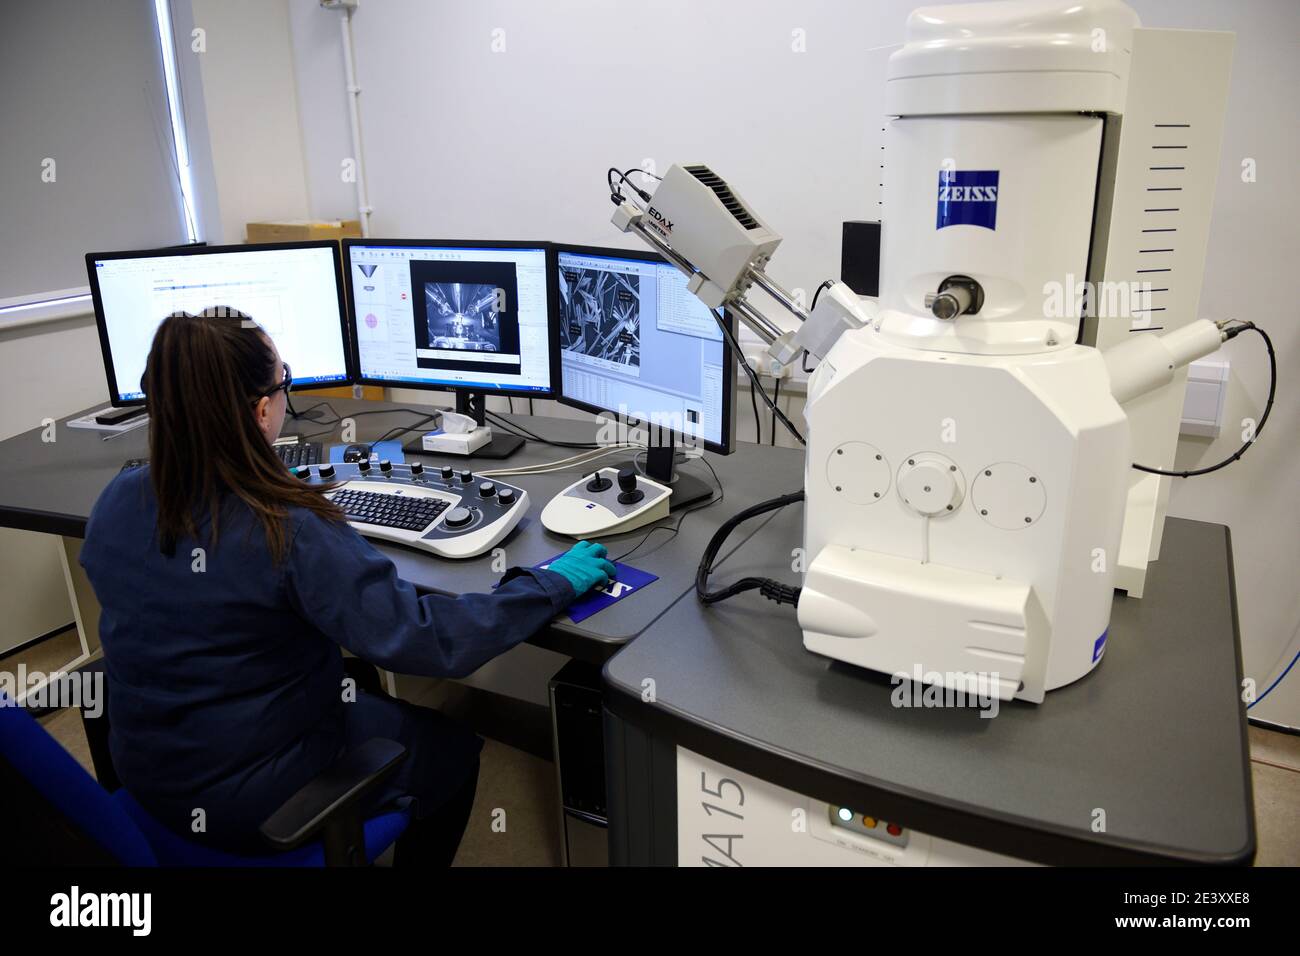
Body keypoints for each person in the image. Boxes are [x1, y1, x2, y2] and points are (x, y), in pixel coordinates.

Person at [78, 307, 615, 865]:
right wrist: (548, 584)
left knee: (354, 680)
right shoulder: (286, 525)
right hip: (255, 804)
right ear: (263, 410)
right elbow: (429, 642)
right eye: (284, 379)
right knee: (452, 753)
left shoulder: (117, 500)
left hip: (149, 774)